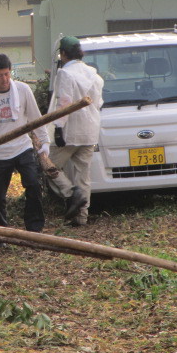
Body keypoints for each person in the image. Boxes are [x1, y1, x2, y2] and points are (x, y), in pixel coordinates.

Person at [0, 53, 50, 242]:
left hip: (22, 146)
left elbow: (35, 117)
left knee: (33, 184)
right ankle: (0, 234)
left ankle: (34, 229)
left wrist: (45, 141)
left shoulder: (23, 90)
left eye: (7, 74)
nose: (4, 79)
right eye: (0, 75)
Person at [47, 36, 104, 227]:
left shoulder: (65, 74)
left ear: (63, 54)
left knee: (48, 165)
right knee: (83, 175)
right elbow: (98, 103)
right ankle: (81, 217)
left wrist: (58, 129)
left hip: (70, 131)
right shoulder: (94, 75)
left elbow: (64, 103)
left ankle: (71, 193)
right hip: (90, 131)